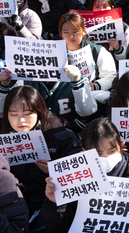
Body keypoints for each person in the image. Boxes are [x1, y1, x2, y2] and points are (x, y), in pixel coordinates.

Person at [40, 117, 129, 232]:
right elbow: (58, 225)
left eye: (112, 151)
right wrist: (55, 203)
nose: (106, 157)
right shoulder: (73, 175)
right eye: (98, 153)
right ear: (84, 150)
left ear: (121, 144)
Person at [0, 85, 82, 218]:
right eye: (13, 114)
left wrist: (55, 170)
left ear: (39, 112)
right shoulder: (2, 132)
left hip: (48, 206)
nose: (21, 120)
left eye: (27, 114)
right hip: (10, 202)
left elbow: (78, 177)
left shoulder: (61, 136)